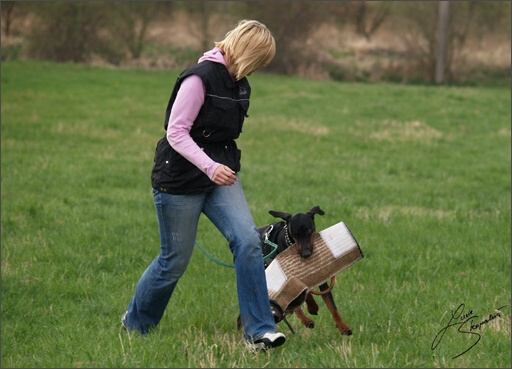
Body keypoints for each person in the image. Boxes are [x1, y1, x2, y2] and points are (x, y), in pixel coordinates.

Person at [121, 19, 285, 351]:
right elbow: (176, 132)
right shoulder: (199, 78)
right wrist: (210, 167)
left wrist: (218, 168)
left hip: (219, 177)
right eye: (257, 62)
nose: (256, 70)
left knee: (248, 242)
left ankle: (259, 332)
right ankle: (135, 324)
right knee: (174, 261)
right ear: (246, 52)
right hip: (180, 179)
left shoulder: (239, 83)